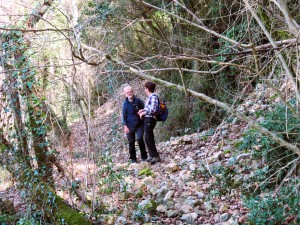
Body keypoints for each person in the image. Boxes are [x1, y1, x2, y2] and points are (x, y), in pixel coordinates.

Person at [122, 85, 148, 163]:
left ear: (133, 92)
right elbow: (123, 116)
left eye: (130, 91)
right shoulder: (125, 104)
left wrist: (142, 114)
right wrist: (125, 126)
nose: (129, 93)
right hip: (130, 126)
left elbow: (145, 110)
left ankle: (144, 156)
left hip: (140, 124)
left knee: (140, 139)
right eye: (127, 92)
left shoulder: (138, 101)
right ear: (125, 94)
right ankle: (133, 159)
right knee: (131, 142)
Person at [138, 81, 161, 164]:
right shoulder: (150, 97)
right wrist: (143, 110)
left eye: (145, 88)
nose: (145, 90)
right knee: (148, 137)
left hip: (150, 119)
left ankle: (155, 156)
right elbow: (150, 108)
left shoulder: (153, 96)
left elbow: (153, 109)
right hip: (147, 119)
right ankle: (152, 156)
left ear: (147, 89)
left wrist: (144, 113)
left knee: (148, 138)